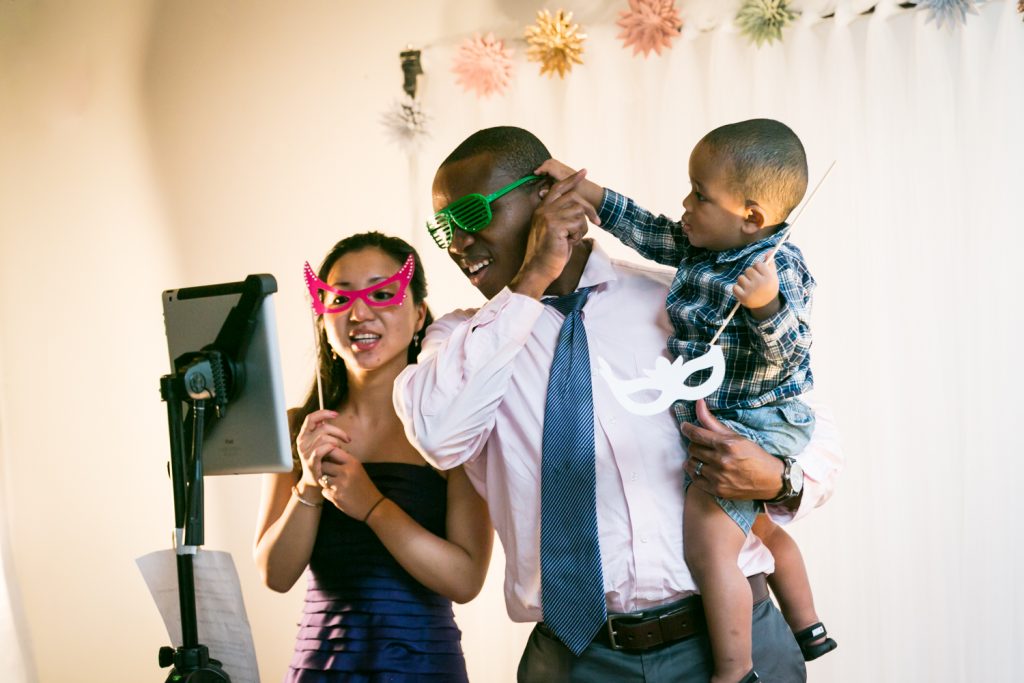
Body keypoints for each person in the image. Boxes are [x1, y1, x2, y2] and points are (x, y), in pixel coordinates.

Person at [393, 126, 843, 682]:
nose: (457, 244)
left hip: (733, 638)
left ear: (546, 197)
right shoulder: (460, 344)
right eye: (443, 230)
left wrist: (778, 478)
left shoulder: (682, 300)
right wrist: (533, 278)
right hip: (578, 661)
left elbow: (809, 425)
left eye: (469, 216)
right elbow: (440, 437)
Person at [536, 118, 837, 683]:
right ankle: (810, 628)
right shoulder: (702, 248)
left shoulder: (776, 267)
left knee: (709, 542)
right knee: (764, 534)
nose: (685, 203)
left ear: (751, 217)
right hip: (724, 414)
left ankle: (734, 669)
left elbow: (793, 357)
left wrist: (767, 307)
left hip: (762, 419)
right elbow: (648, 230)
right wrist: (590, 193)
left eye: (700, 194)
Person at [254, 232, 493, 682]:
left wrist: (372, 506)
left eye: (383, 294)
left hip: (422, 668)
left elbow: (465, 580)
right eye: (339, 300)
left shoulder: (455, 427)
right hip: (321, 668)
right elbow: (275, 574)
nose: (360, 314)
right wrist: (308, 484)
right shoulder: (297, 428)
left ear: (419, 313)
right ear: (322, 319)